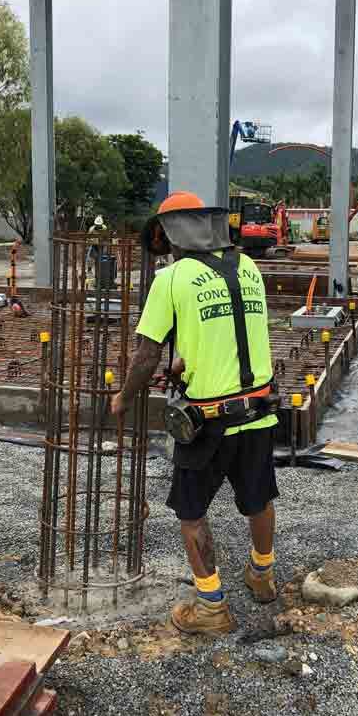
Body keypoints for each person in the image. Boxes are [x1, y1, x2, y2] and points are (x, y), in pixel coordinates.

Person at [111, 191, 279, 636]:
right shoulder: (247, 268)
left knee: (191, 511)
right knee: (258, 497)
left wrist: (124, 398)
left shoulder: (172, 279)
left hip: (209, 422)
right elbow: (234, 332)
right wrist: (186, 363)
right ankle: (262, 574)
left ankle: (211, 605)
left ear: (172, 235)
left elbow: (146, 356)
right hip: (260, 410)